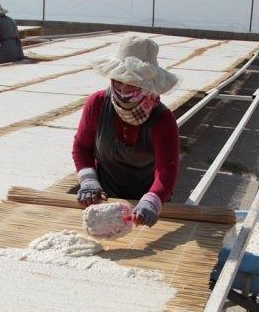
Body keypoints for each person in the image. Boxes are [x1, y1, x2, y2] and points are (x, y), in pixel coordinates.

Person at [72, 35, 181, 228]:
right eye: (119, 80)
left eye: (131, 83)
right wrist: (88, 181)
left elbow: (166, 169)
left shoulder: (162, 120)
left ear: (147, 85)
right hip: (105, 198)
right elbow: (82, 147)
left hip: (145, 199)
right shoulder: (97, 104)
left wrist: (152, 201)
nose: (123, 89)